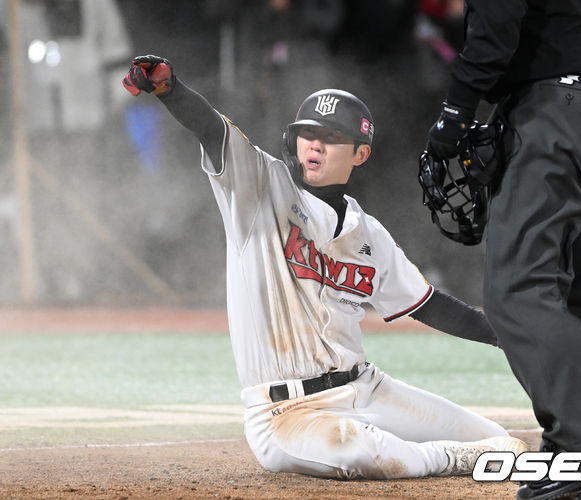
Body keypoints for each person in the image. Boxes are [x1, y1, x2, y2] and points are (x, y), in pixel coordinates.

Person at [122, 55, 527, 480]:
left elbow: (424, 304)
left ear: (360, 153)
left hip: (365, 388)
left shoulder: (367, 233)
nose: (314, 144)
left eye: (331, 137)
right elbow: (211, 129)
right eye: (306, 134)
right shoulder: (259, 187)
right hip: (284, 412)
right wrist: (171, 90)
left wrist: (503, 336)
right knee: (361, 451)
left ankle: (432, 451)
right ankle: (447, 460)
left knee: (491, 435)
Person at [425, 1, 581, 498]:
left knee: (518, 289)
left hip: (554, 112)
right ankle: (578, 460)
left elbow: (497, 21)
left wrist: (456, 110)